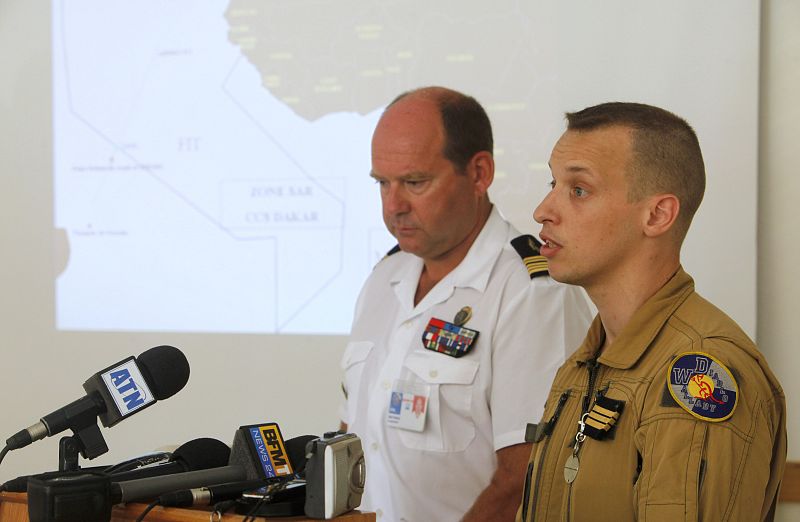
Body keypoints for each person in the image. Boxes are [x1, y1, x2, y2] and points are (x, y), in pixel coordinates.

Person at [517, 102, 786, 521]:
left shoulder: (698, 373)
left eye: (579, 190)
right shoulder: (584, 364)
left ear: (657, 215)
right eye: (553, 183)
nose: (543, 210)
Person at [340, 86, 592, 522]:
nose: (393, 206)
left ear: (479, 173)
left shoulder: (532, 291)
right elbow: (351, 440)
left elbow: (526, 479)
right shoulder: (385, 278)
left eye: (415, 182)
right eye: (383, 183)